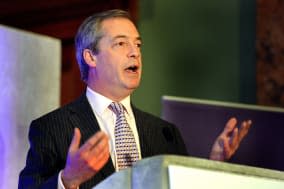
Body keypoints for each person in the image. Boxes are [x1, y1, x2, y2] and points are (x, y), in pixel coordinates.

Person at [18, 9, 252, 189]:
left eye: (137, 44)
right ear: (90, 57)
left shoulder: (165, 133)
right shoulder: (51, 127)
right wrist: (68, 180)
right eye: (121, 43)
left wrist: (212, 167)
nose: (134, 52)